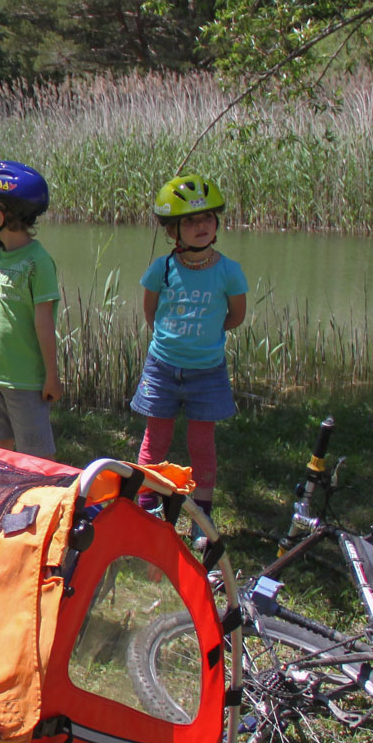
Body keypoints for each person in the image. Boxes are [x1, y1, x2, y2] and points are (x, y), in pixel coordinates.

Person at [131, 174, 248, 521]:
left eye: (207, 218)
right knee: (156, 438)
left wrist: (206, 333)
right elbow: (150, 312)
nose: (201, 226)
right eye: (190, 221)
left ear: (217, 224)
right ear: (173, 231)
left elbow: (235, 316)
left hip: (207, 371)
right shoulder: (162, 269)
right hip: (163, 367)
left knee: (201, 443)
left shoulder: (229, 271)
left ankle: (203, 511)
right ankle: (146, 505)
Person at [0, 160, 62, 459]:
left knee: (36, 460)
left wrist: (52, 376)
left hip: (24, 381)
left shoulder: (37, 262)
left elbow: (44, 323)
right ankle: (0, 505)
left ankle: (42, 504)